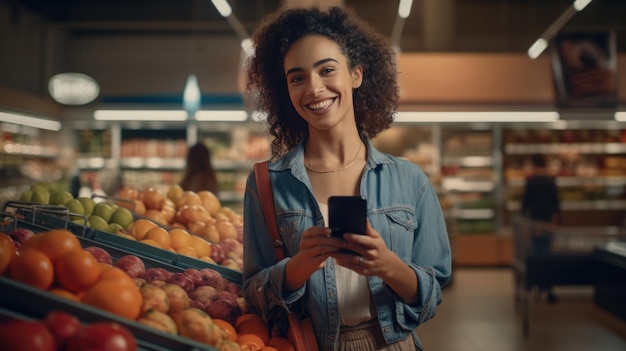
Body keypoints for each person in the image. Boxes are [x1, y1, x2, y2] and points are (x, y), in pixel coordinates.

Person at [241, 6, 452, 351]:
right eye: (297, 78)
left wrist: (388, 266)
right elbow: (253, 291)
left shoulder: (409, 180)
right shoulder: (267, 183)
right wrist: (298, 267)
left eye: (327, 70)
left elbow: (433, 292)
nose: (314, 88)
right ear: (286, 91)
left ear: (356, 74)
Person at [521, 153, 561, 302]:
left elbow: (525, 205)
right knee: (547, 256)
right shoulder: (551, 180)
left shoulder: (531, 181)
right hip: (547, 224)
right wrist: (553, 224)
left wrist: (527, 226)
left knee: (535, 255)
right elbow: (556, 204)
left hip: (534, 224)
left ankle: (534, 286)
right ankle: (547, 288)